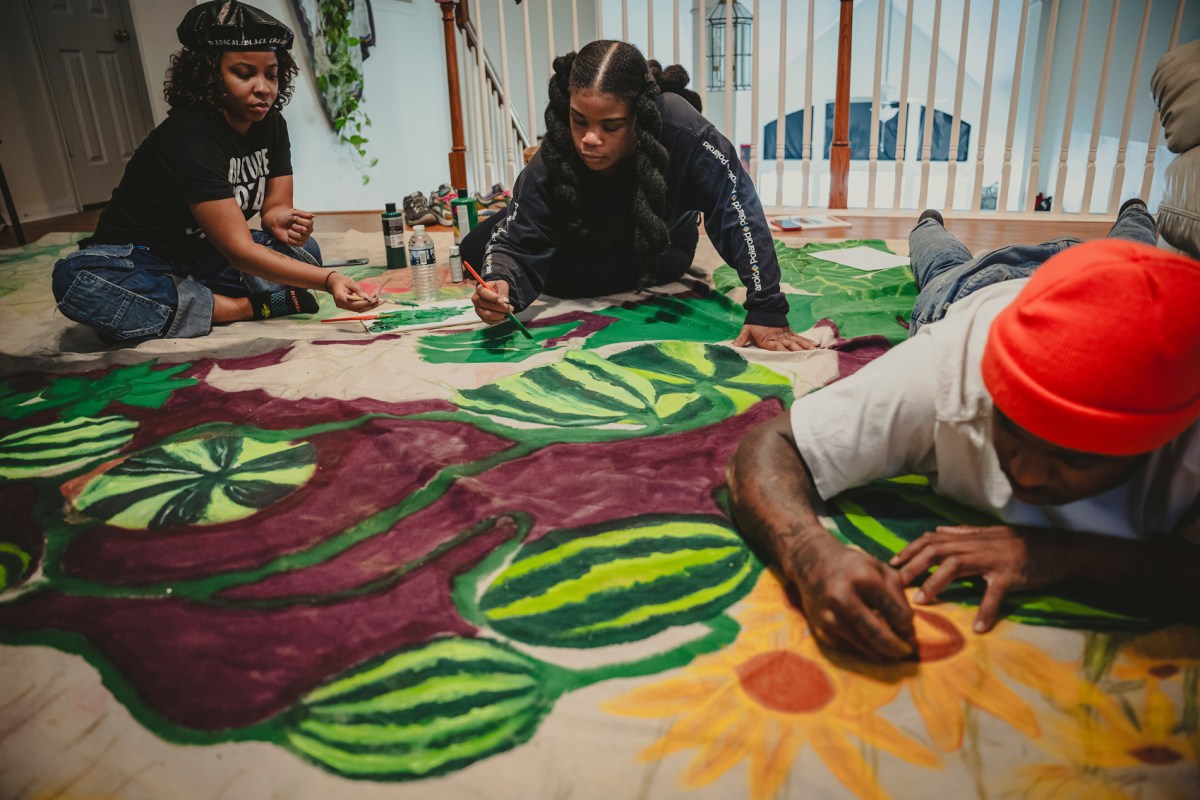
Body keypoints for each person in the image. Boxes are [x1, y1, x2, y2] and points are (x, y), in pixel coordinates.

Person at [727, 202, 1200, 661]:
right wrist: (810, 556)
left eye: (1075, 456)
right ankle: (927, 224)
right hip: (974, 290)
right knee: (941, 262)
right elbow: (772, 445)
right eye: (1012, 424)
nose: (1029, 475)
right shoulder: (942, 370)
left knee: (1137, 252)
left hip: (1105, 280)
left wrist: (1067, 555)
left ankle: (1135, 216)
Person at [51, 0, 378, 342]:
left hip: (202, 256)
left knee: (304, 251)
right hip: (137, 259)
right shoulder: (189, 134)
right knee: (76, 279)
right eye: (244, 73)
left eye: (272, 73)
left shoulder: (271, 123)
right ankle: (241, 308)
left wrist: (280, 221)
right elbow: (239, 250)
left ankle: (173, 308)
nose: (264, 88)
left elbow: (275, 208)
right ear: (208, 75)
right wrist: (328, 280)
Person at [462, 40, 815, 352]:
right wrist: (501, 286)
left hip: (656, 246)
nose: (589, 139)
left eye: (610, 126)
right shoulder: (557, 151)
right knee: (478, 250)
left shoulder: (684, 131)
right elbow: (517, 238)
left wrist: (766, 306)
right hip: (583, 233)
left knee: (564, 277)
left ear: (639, 117)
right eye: (579, 120)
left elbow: (738, 207)